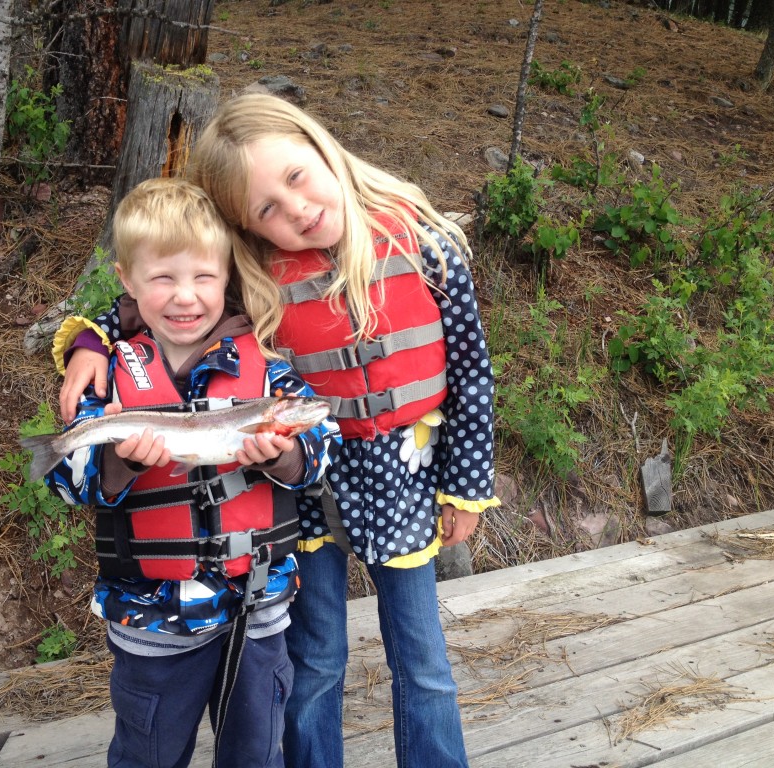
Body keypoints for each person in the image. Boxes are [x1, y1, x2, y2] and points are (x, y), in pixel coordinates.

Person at [58, 94, 499, 768]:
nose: (293, 209)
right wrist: (92, 337)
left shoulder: (424, 241)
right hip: (305, 488)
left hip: (404, 480)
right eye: (266, 208)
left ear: (320, 146)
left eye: (296, 177)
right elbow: (164, 292)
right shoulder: (253, 274)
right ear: (246, 226)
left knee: (424, 658)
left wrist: (465, 488)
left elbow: (471, 372)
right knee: (316, 656)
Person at [43, 177, 340, 768]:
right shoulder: (109, 374)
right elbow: (67, 484)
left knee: (255, 755)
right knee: (147, 755)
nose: (186, 296)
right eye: (164, 278)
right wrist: (117, 459)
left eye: (204, 277)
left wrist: (283, 453)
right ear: (128, 281)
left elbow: (320, 449)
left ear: (227, 276)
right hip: (151, 621)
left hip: (256, 612)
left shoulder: (267, 371)